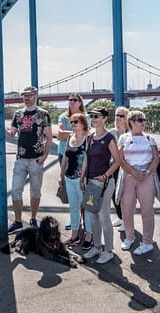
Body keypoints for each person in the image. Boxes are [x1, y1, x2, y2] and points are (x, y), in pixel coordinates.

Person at [6, 86, 52, 233]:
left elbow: (50, 138)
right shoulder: (18, 114)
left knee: (35, 192)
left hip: (36, 159)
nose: (27, 98)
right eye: (25, 96)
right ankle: (18, 221)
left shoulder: (43, 114)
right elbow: (11, 135)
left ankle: (33, 218)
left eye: (30, 95)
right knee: (15, 191)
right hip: (20, 158)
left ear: (36, 96)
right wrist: (0, 124)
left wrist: (44, 156)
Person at [116, 110, 160, 256]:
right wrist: (133, 172)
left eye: (144, 120)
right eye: (140, 120)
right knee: (127, 208)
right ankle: (129, 237)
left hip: (146, 175)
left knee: (147, 209)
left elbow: (156, 158)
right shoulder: (123, 138)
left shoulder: (150, 138)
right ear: (132, 122)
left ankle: (147, 242)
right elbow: (120, 159)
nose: (144, 123)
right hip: (129, 175)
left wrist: (147, 172)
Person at [80, 107, 121, 264]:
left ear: (104, 118)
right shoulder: (90, 137)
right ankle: (97, 247)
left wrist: (105, 176)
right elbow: (86, 159)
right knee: (93, 216)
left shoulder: (109, 138)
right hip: (91, 183)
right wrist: (82, 178)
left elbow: (118, 161)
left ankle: (108, 251)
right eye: (92, 116)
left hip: (103, 184)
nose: (93, 118)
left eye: (96, 116)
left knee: (104, 216)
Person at [60, 112, 92, 244]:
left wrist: (82, 178)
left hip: (81, 179)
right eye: (71, 122)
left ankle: (88, 235)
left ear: (83, 123)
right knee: (73, 207)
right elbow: (65, 158)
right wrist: (61, 175)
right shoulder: (70, 138)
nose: (72, 124)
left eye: (75, 122)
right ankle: (74, 235)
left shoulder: (88, 138)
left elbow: (86, 159)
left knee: (86, 207)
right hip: (69, 177)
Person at [57, 93, 85, 230]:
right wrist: (77, 132)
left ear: (80, 102)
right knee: (69, 190)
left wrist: (70, 133)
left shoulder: (86, 117)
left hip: (81, 157)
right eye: (69, 100)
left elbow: (88, 133)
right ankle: (74, 218)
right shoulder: (63, 116)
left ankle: (83, 218)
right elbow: (59, 134)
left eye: (75, 100)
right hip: (64, 154)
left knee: (82, 189)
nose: (72, 102)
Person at [108, 107, 129, 231]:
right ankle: (120, 217)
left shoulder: (130, 133)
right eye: (116, 115)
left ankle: (127, 221)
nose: (118, 118)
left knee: (125, 195)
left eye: (121, 116)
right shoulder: (112, 133)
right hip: (114, 167)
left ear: (126, 118)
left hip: (126, 167)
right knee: (114, 193)